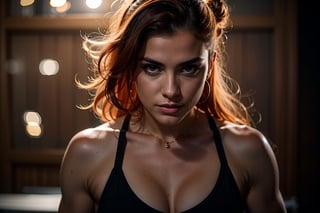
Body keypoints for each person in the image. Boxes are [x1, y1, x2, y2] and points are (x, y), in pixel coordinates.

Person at [58, 0, 287, 212]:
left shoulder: (248, 151)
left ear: (210, 65)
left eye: (188, 69)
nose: (171, 90)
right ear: (129, 66)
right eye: (152, 68)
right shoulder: (88, 153)